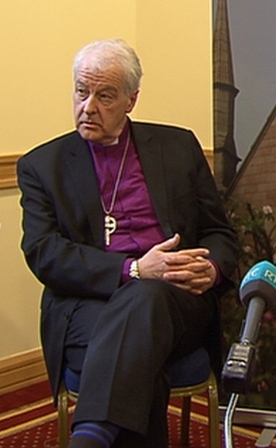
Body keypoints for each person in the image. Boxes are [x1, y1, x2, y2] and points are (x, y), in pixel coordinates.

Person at [17, 39, 239, 448]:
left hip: (177, 298)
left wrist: (211, 269)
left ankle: (90, 436)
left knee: (148, 300)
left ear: (131, 100)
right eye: (82, 92)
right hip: (87, 303)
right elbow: (44, 253)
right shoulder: (41, 166)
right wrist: (133, 270)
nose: (88, 107)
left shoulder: (177, 147)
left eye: (105, 96)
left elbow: (220, 234)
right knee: (140, 349)